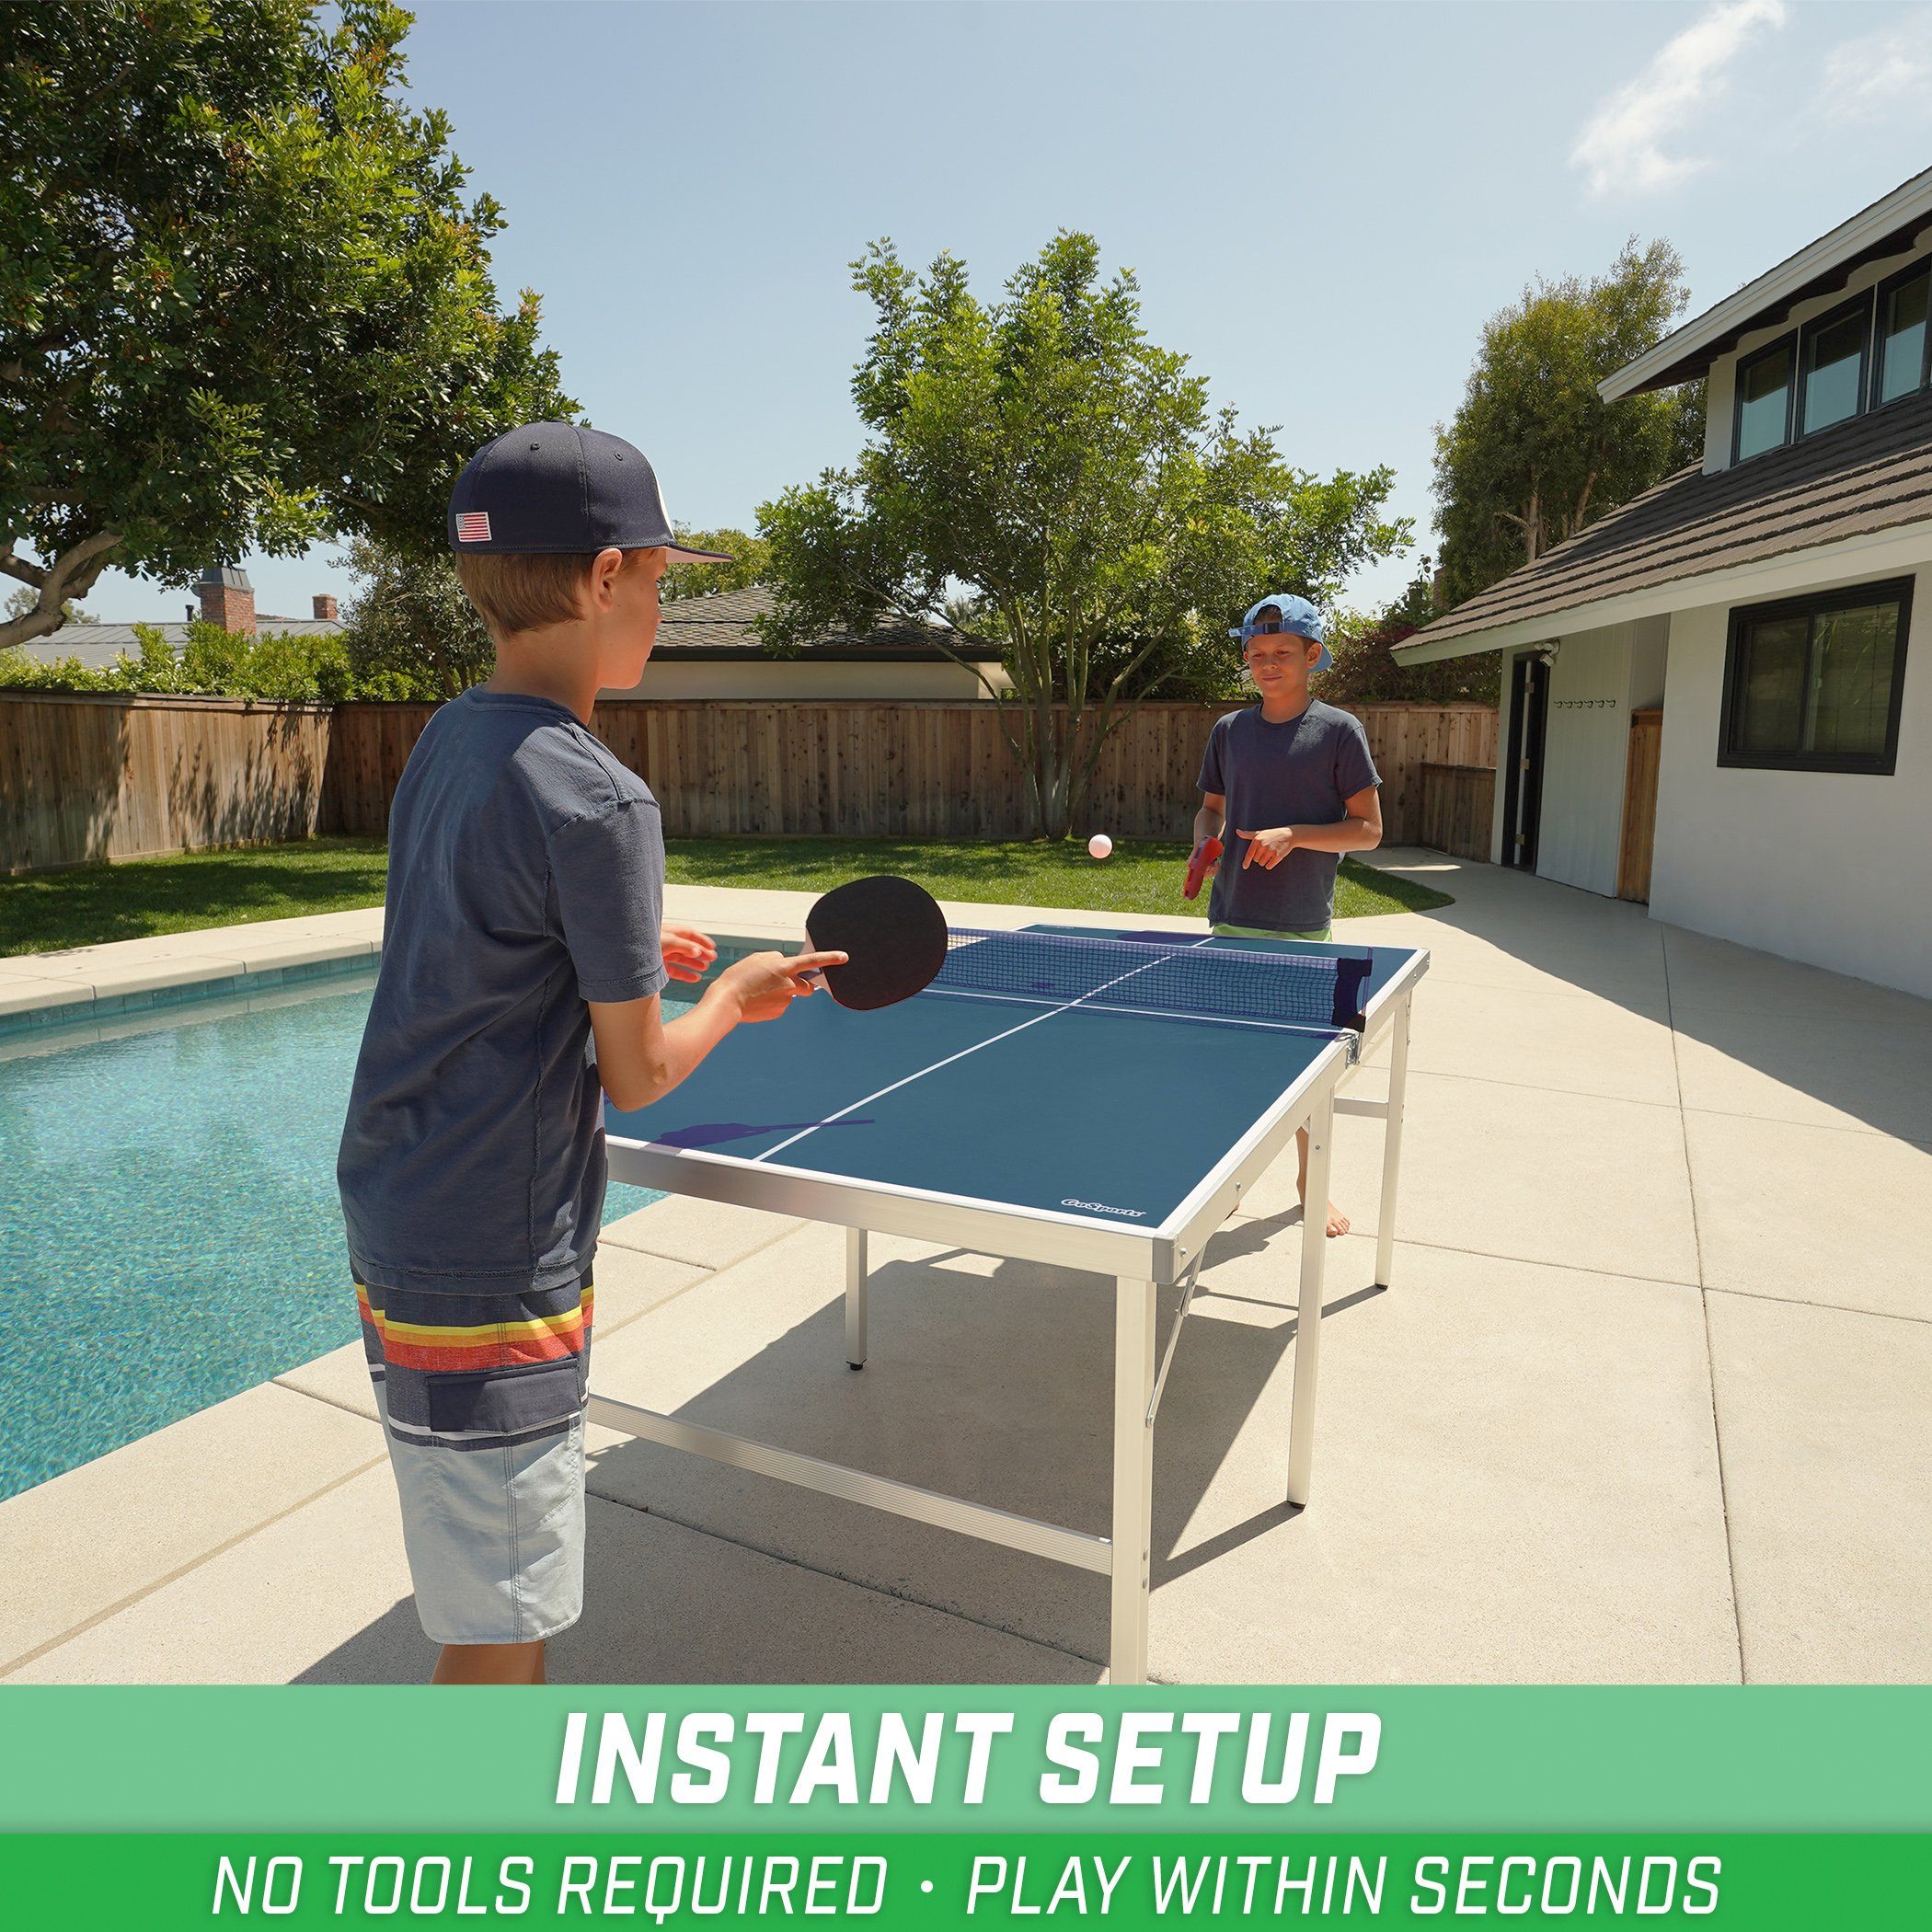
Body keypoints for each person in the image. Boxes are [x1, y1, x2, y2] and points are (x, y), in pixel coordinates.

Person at [336, 422, 845, 1685]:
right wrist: (734, 994)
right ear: (607, 577)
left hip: (402, 1200)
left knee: (489, 1587)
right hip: (497, 1247)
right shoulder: (605, 799)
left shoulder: (450, 739)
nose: (662, 609)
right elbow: (641, 1077)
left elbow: (472, 924)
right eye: (664, 581)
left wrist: (613, 940)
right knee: (502, 1629)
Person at [1191, 592, 1383, 1238]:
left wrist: (1295, 835)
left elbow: (1367, 831)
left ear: (1312, 655)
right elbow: (1212, 808)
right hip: (1231, 921)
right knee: (1226, 1061)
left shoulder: (1338, 731)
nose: (1268, 665)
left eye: (1282, 653)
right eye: (1256, 655)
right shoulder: (1229, 732)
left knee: (1306, 1071)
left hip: (1302, 925)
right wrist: (1204, 841)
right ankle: (1228, 1176)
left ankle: (1311, 1182)